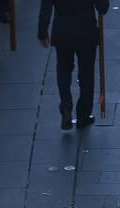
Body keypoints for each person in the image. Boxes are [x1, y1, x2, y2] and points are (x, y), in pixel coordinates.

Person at [37, 0, 110, 130]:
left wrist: (42, 31)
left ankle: (66, 105)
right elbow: (102, 8)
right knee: (86, 73)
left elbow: (46, 6)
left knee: (63, 69)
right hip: (86, 31)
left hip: (62, 30)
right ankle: (83, 114)